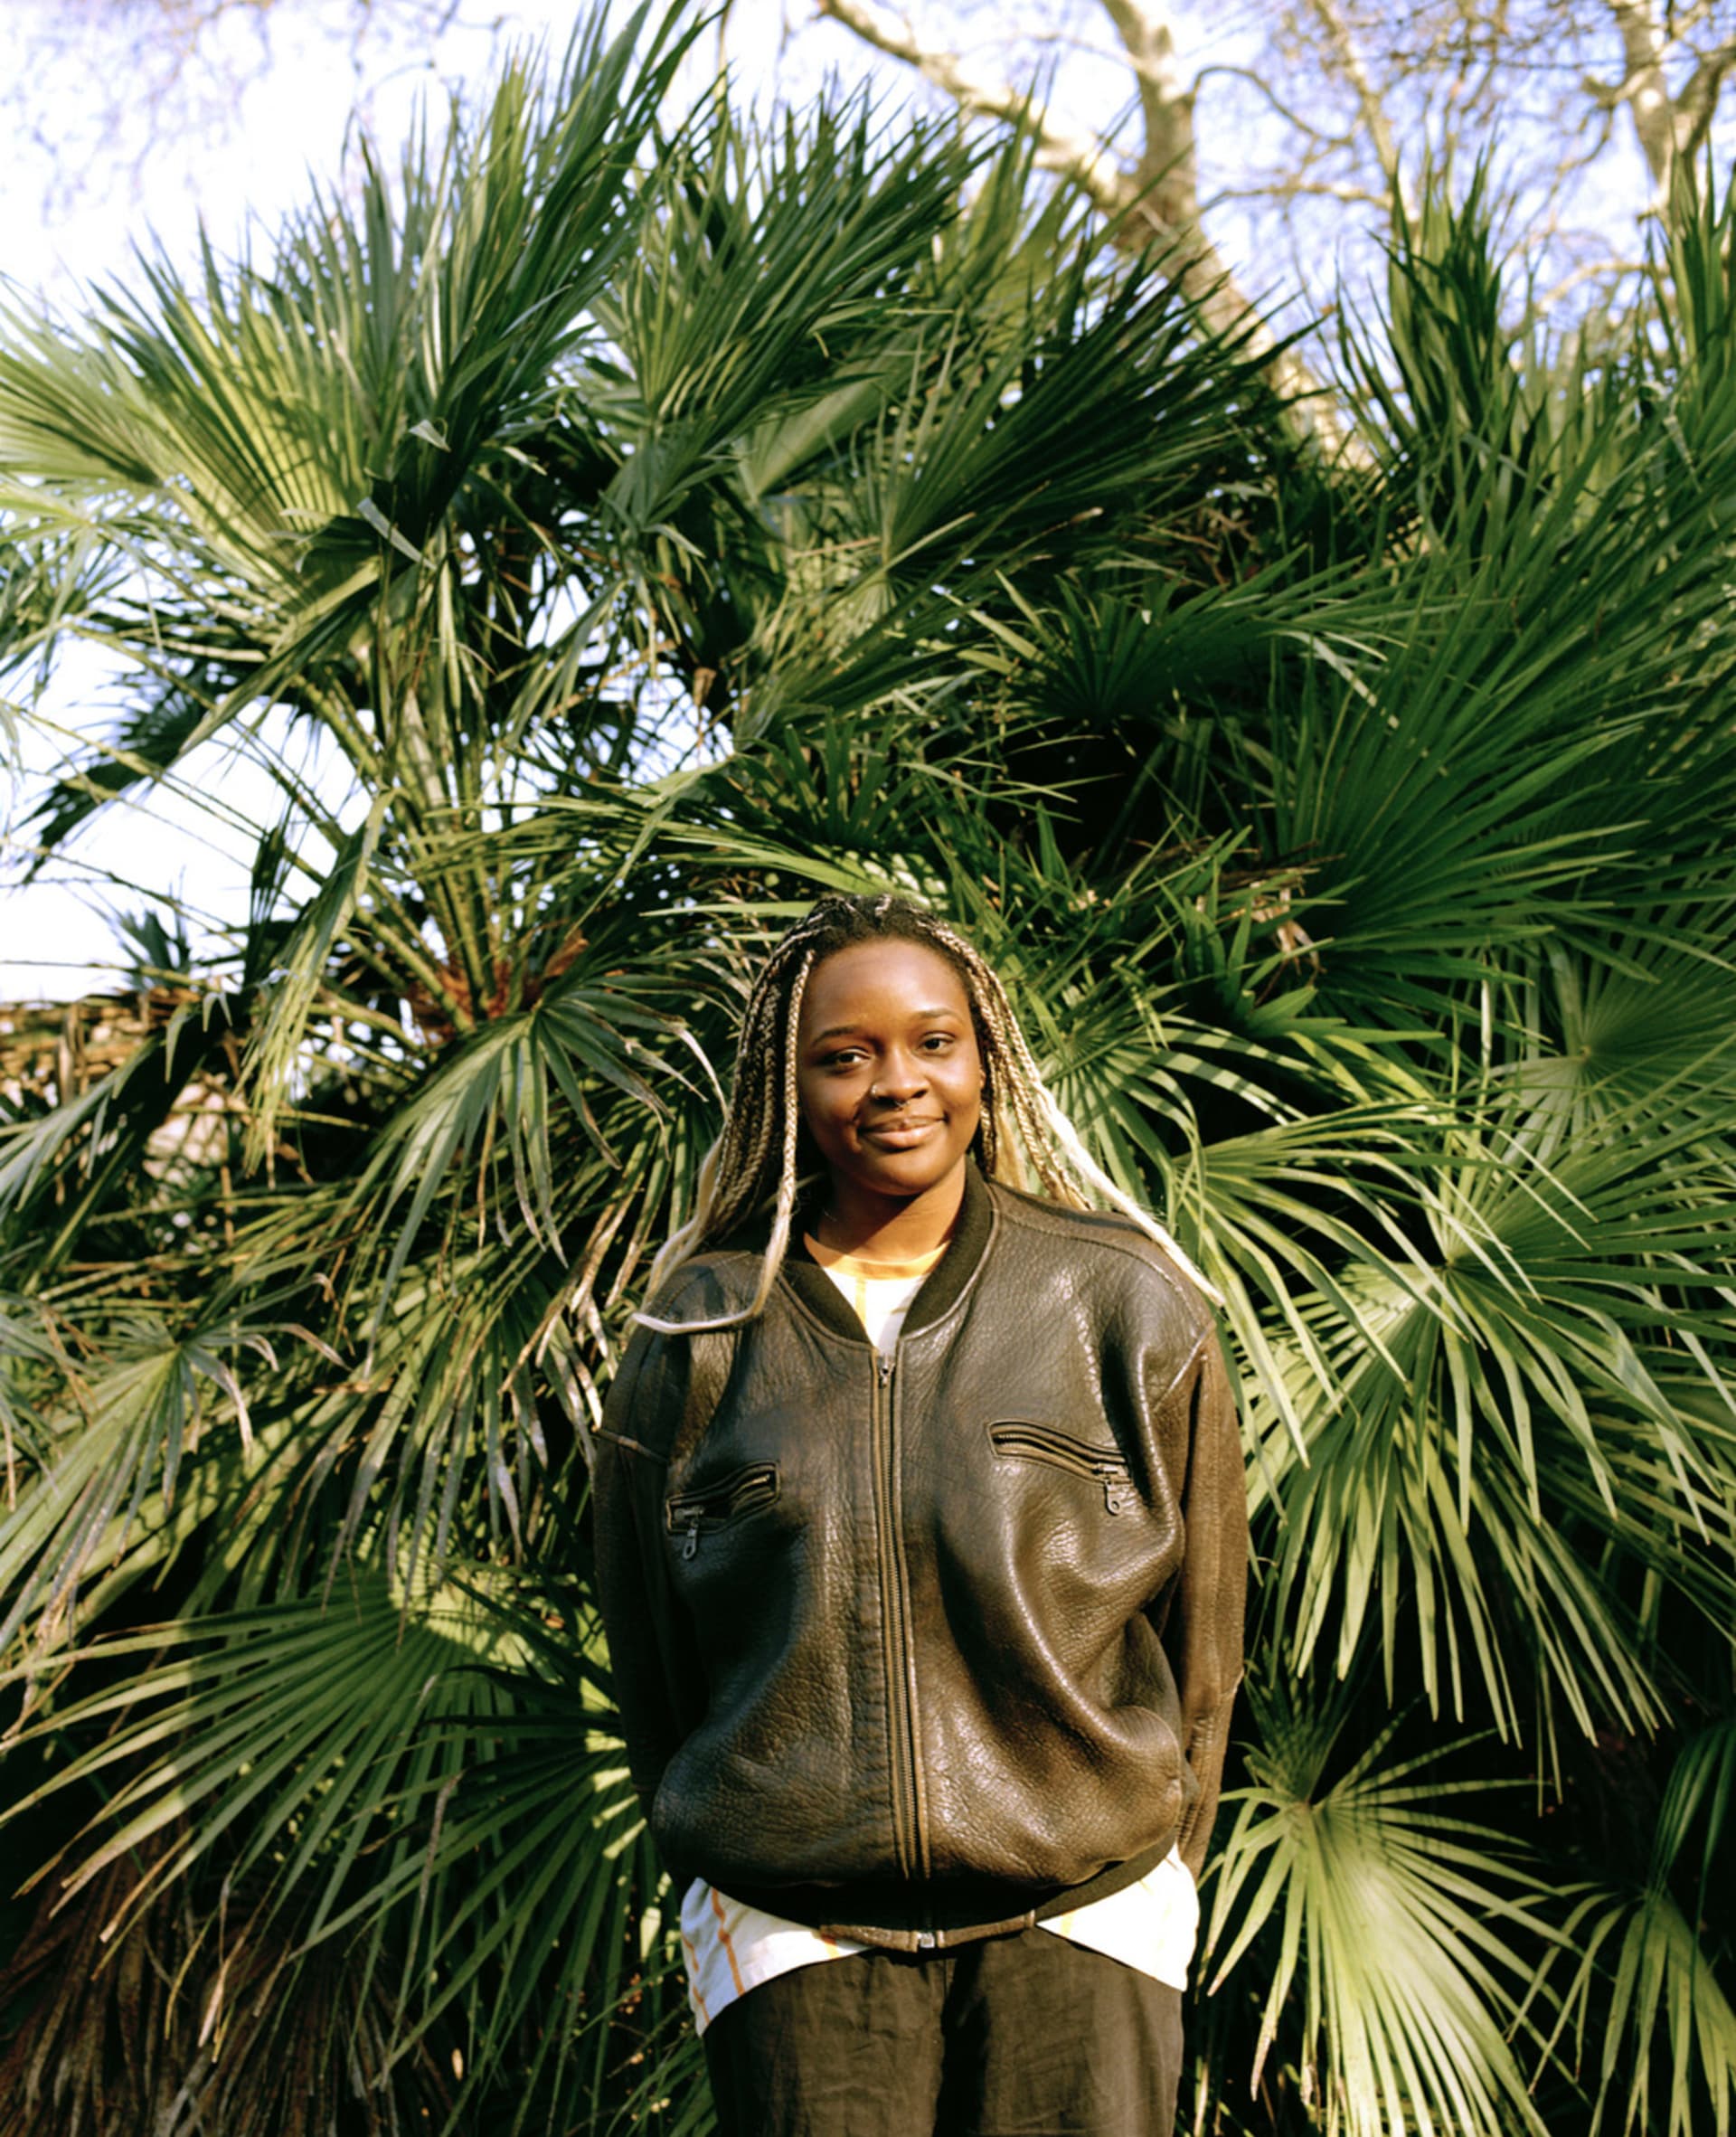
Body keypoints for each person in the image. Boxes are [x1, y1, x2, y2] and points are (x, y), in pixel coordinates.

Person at [591, 893, 1247, 2136]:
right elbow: (656, 1660)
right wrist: (729, 1871)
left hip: (1085, 1919)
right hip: (797, 1936)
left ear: (985, 1062)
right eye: (845, 1056)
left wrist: (1151, 1877)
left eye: (931, 1042)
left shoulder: (1122, 1305)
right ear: (790, 1090)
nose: (895, 1083)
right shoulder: (699, 1332)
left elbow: (1204, 1648)